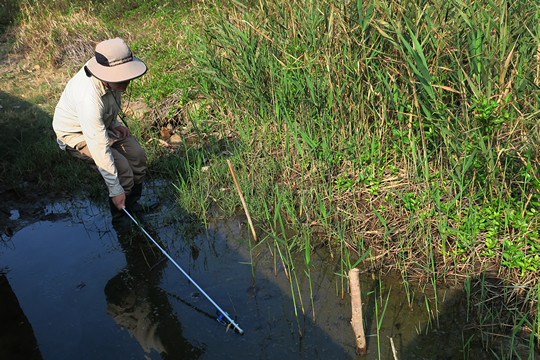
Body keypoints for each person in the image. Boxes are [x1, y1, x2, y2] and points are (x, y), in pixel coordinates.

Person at [53, 38, 153, 229]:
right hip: (76, 134)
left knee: (137, 156)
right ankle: (121, 221)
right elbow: (99, 146)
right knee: (121, 169)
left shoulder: (111, 78)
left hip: (100, 126)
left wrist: (113, 123)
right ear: (104, 76)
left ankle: (134, 208)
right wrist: (115, 189)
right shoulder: (88, 98)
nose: (126, 81)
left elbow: (105, 109)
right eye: (121, 77)